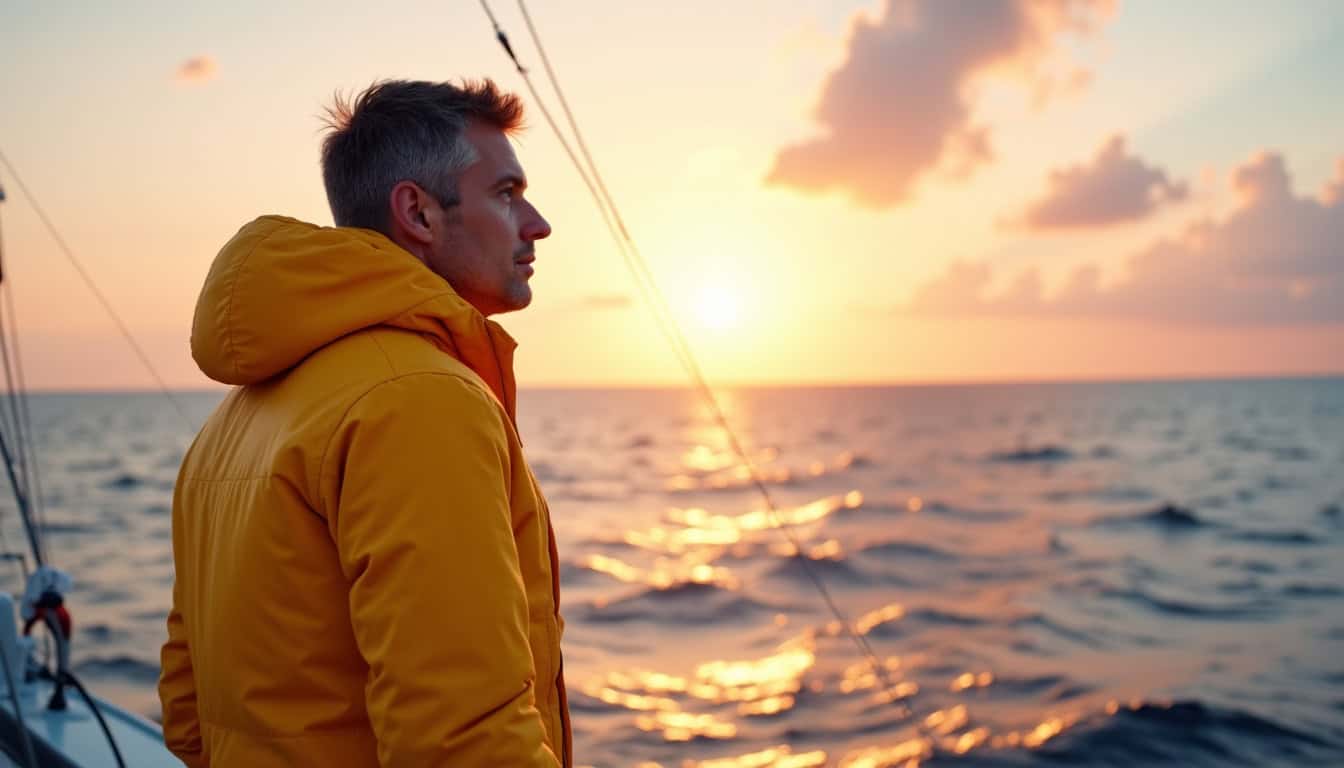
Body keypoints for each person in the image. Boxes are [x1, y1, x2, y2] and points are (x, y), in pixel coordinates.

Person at [157, 79, 570, 767]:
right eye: (506, 193)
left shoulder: (232, 421)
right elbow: (463, 741)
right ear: (418, 212)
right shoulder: (420, 400)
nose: (537, 223)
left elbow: (185, 710)